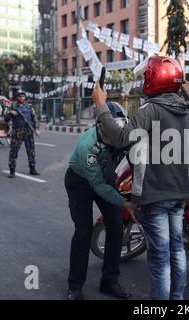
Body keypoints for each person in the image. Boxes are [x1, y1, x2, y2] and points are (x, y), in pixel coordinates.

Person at [92, 56, 189, 300]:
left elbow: (120, 137)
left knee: (160, 258)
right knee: (177, 250)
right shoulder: (184, 108)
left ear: (154, 79)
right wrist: (188, 95)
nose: (144, 78)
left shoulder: (151, 109)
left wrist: (101, 107)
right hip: (181, 193)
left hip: (155, 195)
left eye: (146, 75)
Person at [65, 102, 138, 300]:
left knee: (116, 225)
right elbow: (97, 185)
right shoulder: (87, 146)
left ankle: (109, 281)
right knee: (84, 231)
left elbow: (136, 165)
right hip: (80, 182)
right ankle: (75, 286)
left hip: (107, 178)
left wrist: (140, 193)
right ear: (100, 126)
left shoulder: (125, 136)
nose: (117, 139)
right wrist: (124, 203)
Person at [5, 91, 40, 177]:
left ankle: (32, 168)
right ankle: (12, 171)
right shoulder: (12, 107)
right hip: (17, 131)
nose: (21, 98)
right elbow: (6, 120)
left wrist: (36, 129)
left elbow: (34, 118)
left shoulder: (29, 107)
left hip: (28, 131)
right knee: (14, 151)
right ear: (17, 98)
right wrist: (10, 112)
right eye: (19, 96)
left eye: (23, 96)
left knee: (31, 150)